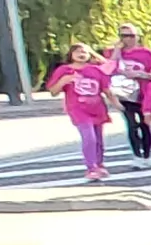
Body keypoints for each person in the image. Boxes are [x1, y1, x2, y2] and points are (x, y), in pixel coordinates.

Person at [46, 44, 114, 182]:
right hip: (77, 108)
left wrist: (116, 102)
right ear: (71, 54)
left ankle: (99, 164)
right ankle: (91, 168)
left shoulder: (96, 70)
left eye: (84, 52)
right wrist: (63, 81)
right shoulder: (64, 70)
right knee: (89, 137)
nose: (81, 54)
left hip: (97, 108)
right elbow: (53, 91)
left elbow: (107, 87)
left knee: (98, 139)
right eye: (77, 51)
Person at [101, 24, 151, 162]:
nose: (128, 39)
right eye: (124, 36)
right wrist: (117, 51)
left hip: (144, 93)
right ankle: (137, 155)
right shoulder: (112, 52)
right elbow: (107, 70)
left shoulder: (147, 53)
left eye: (131, 36)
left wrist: (140, 74)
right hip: (124, 93)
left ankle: (147, 155)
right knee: (131, 124)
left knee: (145, 124)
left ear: (137, 37)